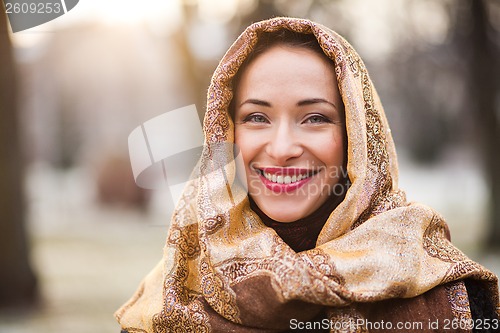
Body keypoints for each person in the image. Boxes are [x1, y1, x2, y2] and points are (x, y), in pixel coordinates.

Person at [115, 17, 499, 332]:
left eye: (315, 118)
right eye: (257, 118)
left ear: (355, 138)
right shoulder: (178, 288)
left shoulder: (443, 288)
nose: (282, 148)